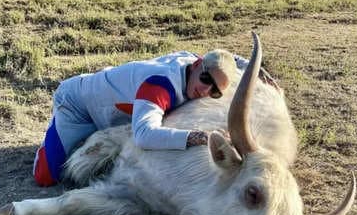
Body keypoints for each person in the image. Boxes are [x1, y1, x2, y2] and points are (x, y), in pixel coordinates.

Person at [32, 48, 278, 186]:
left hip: (109, 107)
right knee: (46, 177)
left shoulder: (193, 61)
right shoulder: (160, 86)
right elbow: (143, 135)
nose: (205, 91)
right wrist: (197, 137)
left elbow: (227, 58)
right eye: (206, 80)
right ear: (198, 65)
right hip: (77, 106)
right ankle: (47, 140)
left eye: (215, 91)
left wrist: (256, 69)